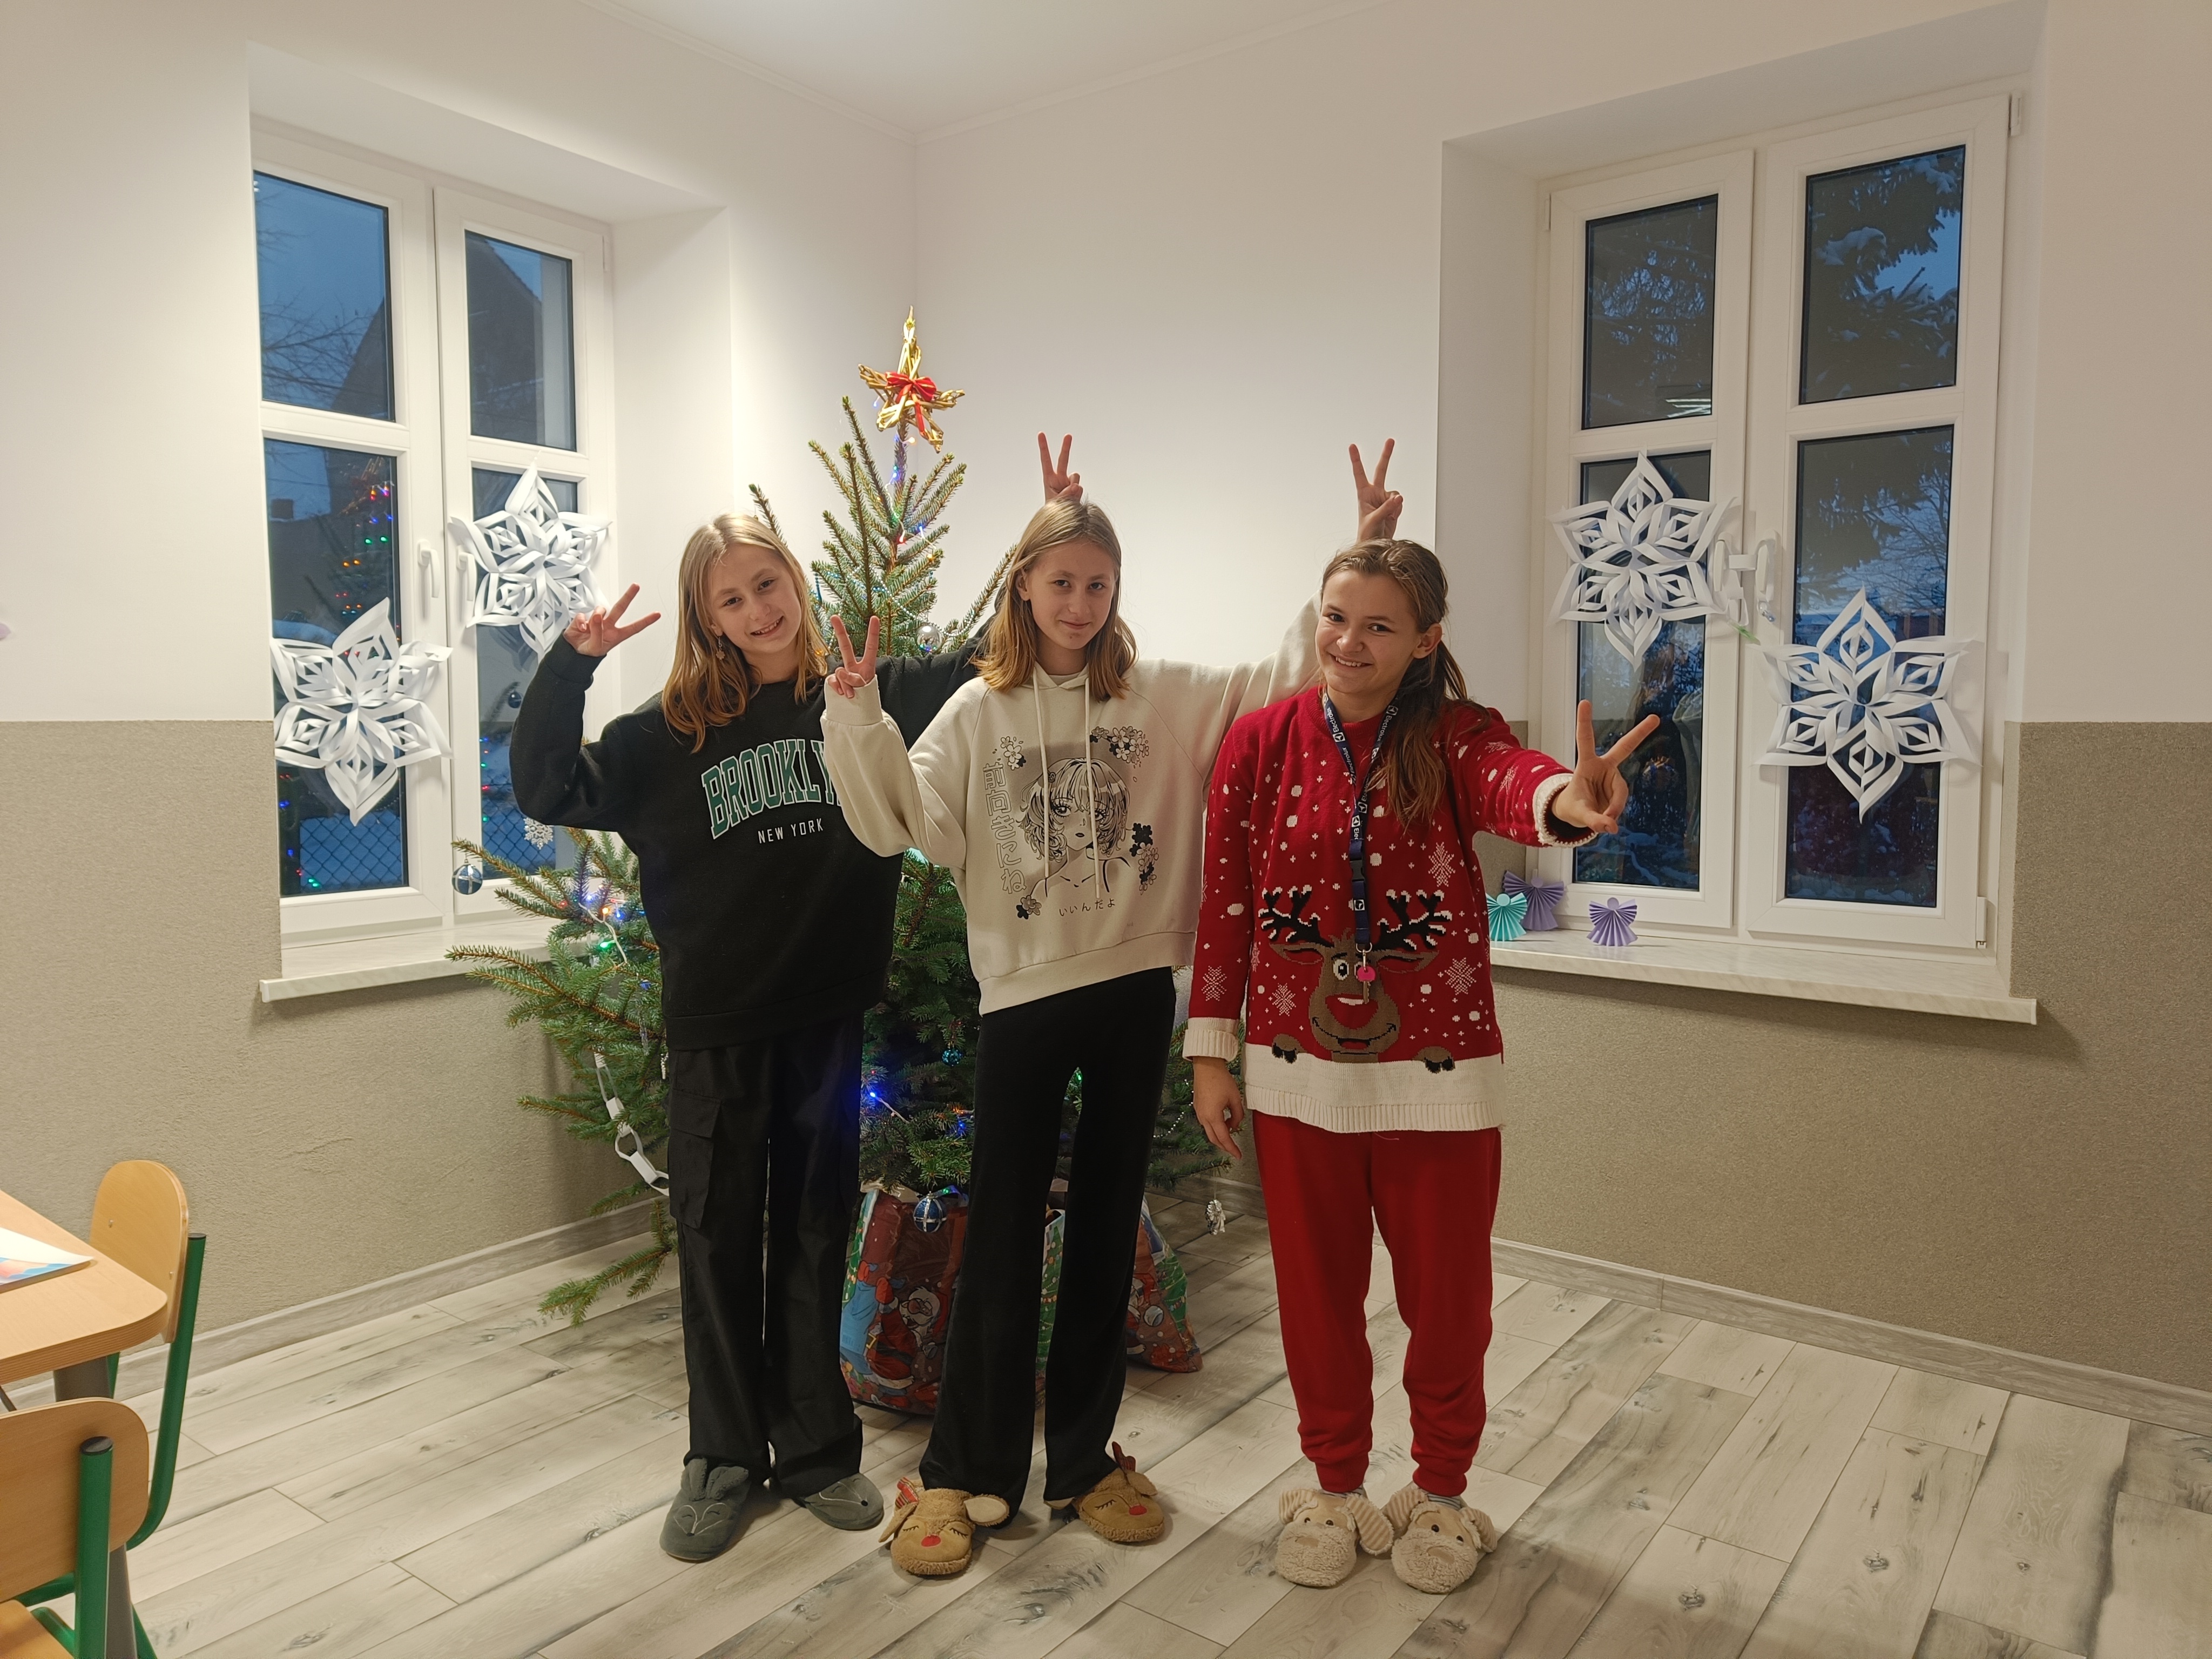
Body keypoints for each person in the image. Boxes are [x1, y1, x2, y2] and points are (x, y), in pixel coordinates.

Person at [818, 435, 1339, 1577]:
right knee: (1003, 1235)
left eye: (1099, 584)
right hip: (1024, 998)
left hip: (1132, 992)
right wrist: (855, 716)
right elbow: (906, 820)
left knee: (1104, 1229)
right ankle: (964, 1470)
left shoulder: (1159, 696)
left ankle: (1087, 1463)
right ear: (1024, 585)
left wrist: (1345, 567)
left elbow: (1278, 685)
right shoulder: (977, 711)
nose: (1080, 603)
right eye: (1061, 581)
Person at [1183, 457, 1655, 1597]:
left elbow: (1512, 783)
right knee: (1315, 1302)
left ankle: (1441, 1490)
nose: (1347, 643)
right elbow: (1226, 901)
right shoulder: (1258, 742)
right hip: (1294, 1073)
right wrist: (1210, 1052)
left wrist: (1570, 799)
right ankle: (1333, 1484)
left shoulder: (1454, 734)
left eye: (1378, 627)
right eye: (1334, 618)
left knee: (1446, 1304)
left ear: (1425, 640)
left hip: (1437, 1081)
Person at [509, 513, 977, 1562]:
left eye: (769, 583)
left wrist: (1049, 537)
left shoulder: (866, 690)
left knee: (814, 1228)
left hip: (824, 1018)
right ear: (707, 618)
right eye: (732, 598)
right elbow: (545, 786)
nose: (759, 609)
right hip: (717, 1026)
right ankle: (720, 1457)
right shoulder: (665, 734)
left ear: (795, 582)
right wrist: (571, 665)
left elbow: (993, 660)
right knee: (717, 1235)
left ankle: (816, 1450)